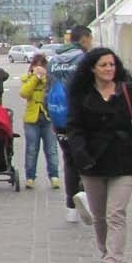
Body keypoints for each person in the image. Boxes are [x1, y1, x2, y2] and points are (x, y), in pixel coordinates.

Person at [64, 47, 132, 263]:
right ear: (92, 68)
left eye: (112, 64)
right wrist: (80, 155)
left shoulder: (126, 91)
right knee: (99, 217)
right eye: (103, 65)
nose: (109, 69)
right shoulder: (82, 95)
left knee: (116, 213)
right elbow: (74, 129)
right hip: (93, 162)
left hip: (123, 161)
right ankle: (107, 254)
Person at [48, 25, 94, 223]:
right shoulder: (85, 59)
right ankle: (84, 193)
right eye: (90, 39)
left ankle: (71, 207)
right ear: (84, 39)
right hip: (81, 117)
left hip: (59, 117)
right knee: (87, 156)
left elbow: (47, 89)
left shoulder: (53, 60)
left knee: (69, 160)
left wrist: (51, 117)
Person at [19, 53, 61, 191]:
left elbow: (53, 92)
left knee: (51, 149)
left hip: (48, 118)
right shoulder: (27, 78)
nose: (39, 68)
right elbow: (24, 93)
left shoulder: (50, 79)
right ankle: (30, 177)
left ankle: (54, 176)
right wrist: (35, 77)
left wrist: (43, 77)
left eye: (42, 66)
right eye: (36, 65)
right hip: (32, 118)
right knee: (31, 149)